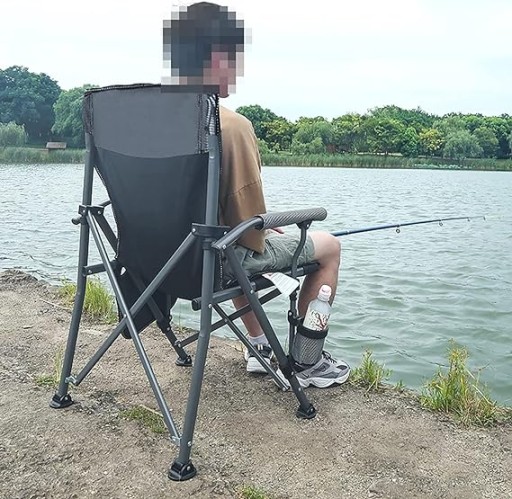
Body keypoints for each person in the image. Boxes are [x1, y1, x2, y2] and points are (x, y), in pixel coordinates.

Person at [165, 2, 350, 388]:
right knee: (328, 246)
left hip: (153, 263)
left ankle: (260, 347)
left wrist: (253, 223)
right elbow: (247, 231)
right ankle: (307, 362)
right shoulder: (228, 124)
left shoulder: (148, 121)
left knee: (227, 238)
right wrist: (260, 224)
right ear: (219, 56)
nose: (237, 70)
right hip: (210, 265)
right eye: (236, 59)